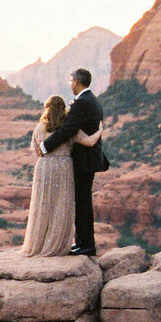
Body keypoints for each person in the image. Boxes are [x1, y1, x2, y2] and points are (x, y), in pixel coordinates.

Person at [20, 95, 101, 256]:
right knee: (61, 205)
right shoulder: (68, 129)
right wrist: (100, 130)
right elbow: (90, 142)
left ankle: (38, 245)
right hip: (63, 167)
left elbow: (37, 152)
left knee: (43, 205)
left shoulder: (39, 128)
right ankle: (56, 245)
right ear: (63, 109)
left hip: (44, 167)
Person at [39, 67, 105, 256]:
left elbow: (68, 129)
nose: (70, 84)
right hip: (89, 160)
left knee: (83, 203)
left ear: (76, 81)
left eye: (71, 81)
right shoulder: (91, 100)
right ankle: (82, 242)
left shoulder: (82, 102)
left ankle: (86, 245)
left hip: (84, 161)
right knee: (82, 202)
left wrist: (45, 146)